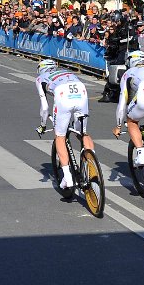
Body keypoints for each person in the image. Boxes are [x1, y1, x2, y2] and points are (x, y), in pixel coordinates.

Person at [34, 59, 94, 189]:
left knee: (60, 136)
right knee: (83, 132)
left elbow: (44, 108)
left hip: (63, 96)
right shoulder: (66, 72)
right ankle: (92, 166)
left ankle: (67, 177)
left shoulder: (40, 78)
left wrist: (43, 125)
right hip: (81, 91)